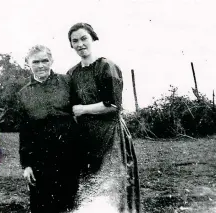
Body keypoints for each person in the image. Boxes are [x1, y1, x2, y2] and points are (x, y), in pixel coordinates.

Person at [67, 23, 141, 212]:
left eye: (84, 38)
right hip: (86, 138)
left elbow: (113, 106)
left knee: (113, 186)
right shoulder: (72, 73)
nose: (80, 44)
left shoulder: (106, 66)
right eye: (75, 41)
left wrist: (83, 110)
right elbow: (70, 107)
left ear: (92, 39)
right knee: (89, 187)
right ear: (71, 45)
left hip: (111, 137)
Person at [17, 45, 80, 213]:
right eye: (35, 62)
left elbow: (81, 113)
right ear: (28, 63)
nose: (41, 65)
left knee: (69, 204)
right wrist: (26, 165)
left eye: (45, 60)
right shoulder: (23, 93)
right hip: (40, 160)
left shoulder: (67, 82)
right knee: (42, 206)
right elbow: (25, 131)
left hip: (70, 156)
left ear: (51, 61)